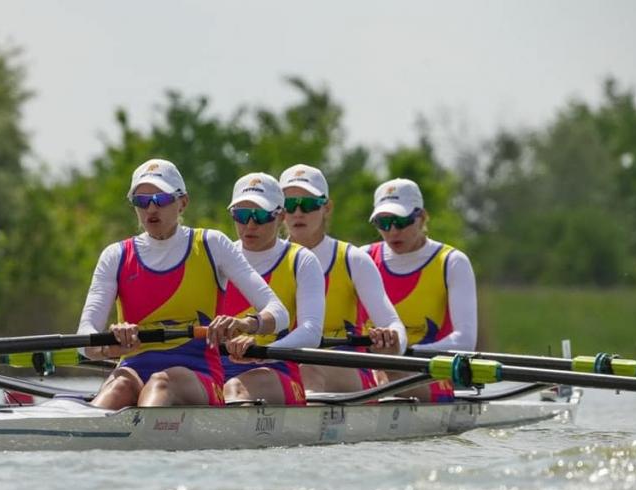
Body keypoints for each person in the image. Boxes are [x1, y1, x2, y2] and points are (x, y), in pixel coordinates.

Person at [77, 159, 289, 410]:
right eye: (142, 201)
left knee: (160, 383)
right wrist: (107, 348)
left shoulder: (212, 245)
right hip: (132, 368)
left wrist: (246, 324)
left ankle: (141, 436)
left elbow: (279, 312)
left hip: (198, 372)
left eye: (162, 199)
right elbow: (84, 338)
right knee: (118, 386)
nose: (151, 209)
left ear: (182, 203)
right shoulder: (115, 255)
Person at [278, 164, 407, 392]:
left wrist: (393, 342)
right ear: (279, 211)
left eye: (308, 204)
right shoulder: (261, 259)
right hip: (278, 367)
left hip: (347, 370)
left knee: (308, 367)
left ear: (327, 207)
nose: (297, 213)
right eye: (289, 205)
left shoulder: (353, 260)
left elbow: (392, 324)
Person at [363, 178, 478, 402]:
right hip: (373, 370)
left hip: (430, 372)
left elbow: (465, 340)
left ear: (422, 217)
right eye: (383, 223)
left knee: (391, 375)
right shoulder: (362, 259)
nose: (393, 231)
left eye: (401, 221)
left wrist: (401, 352)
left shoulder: (452, 262)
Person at [220, 173, 325, 405]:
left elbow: (311, 331)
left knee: (234, 389)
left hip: (276, 368)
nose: (250, 225)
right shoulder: (219, 258)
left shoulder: (301, 260)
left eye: (260, 216)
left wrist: (262, 349)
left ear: (281, 216)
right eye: (242, 215)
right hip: (217, 368)